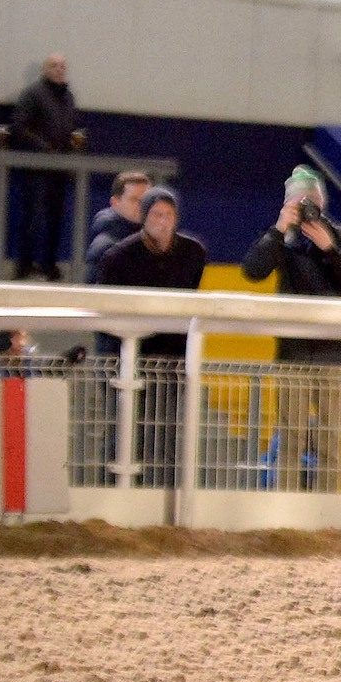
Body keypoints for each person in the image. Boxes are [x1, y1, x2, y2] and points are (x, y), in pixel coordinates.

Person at [241, 166, 341, 492]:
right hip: (294, 352)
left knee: (330, 440)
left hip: (335, 352)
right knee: (290, 436)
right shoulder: (282, 241)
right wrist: (278, 229)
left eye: (311, 202)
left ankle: (326, 509)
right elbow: (252, 270)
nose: (307, 209)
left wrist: (330, 248)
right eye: (299, 203)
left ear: (322, 203)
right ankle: (287, 509)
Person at [96, 186, 207, 486]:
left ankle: (163, 494)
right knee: (125, 430)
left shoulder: (193, 252)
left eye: (169, 215)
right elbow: (105, 311)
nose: (163, 221)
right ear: (144, 217)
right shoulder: (118, 257)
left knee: (168, 432)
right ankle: (116, 492)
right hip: (131, 359)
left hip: (172, 362)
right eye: (157, 214)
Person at [11, 53, 80, 281]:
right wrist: (45, 148)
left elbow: (69, 129)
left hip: (59, 170)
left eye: (63, 66)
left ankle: (49, 264)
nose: (60, 69)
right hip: (37, 169)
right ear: (45, 70)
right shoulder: (32, 94)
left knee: (56, 219)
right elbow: (19, 127)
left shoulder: (68, 97)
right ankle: (24, 265)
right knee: (33, 219)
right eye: (55, 66)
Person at [84, 170, 152, 285]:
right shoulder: (106, 247)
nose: (142, 205)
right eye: (134, 200)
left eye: (147, 200)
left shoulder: (156, 239)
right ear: (115, 202)